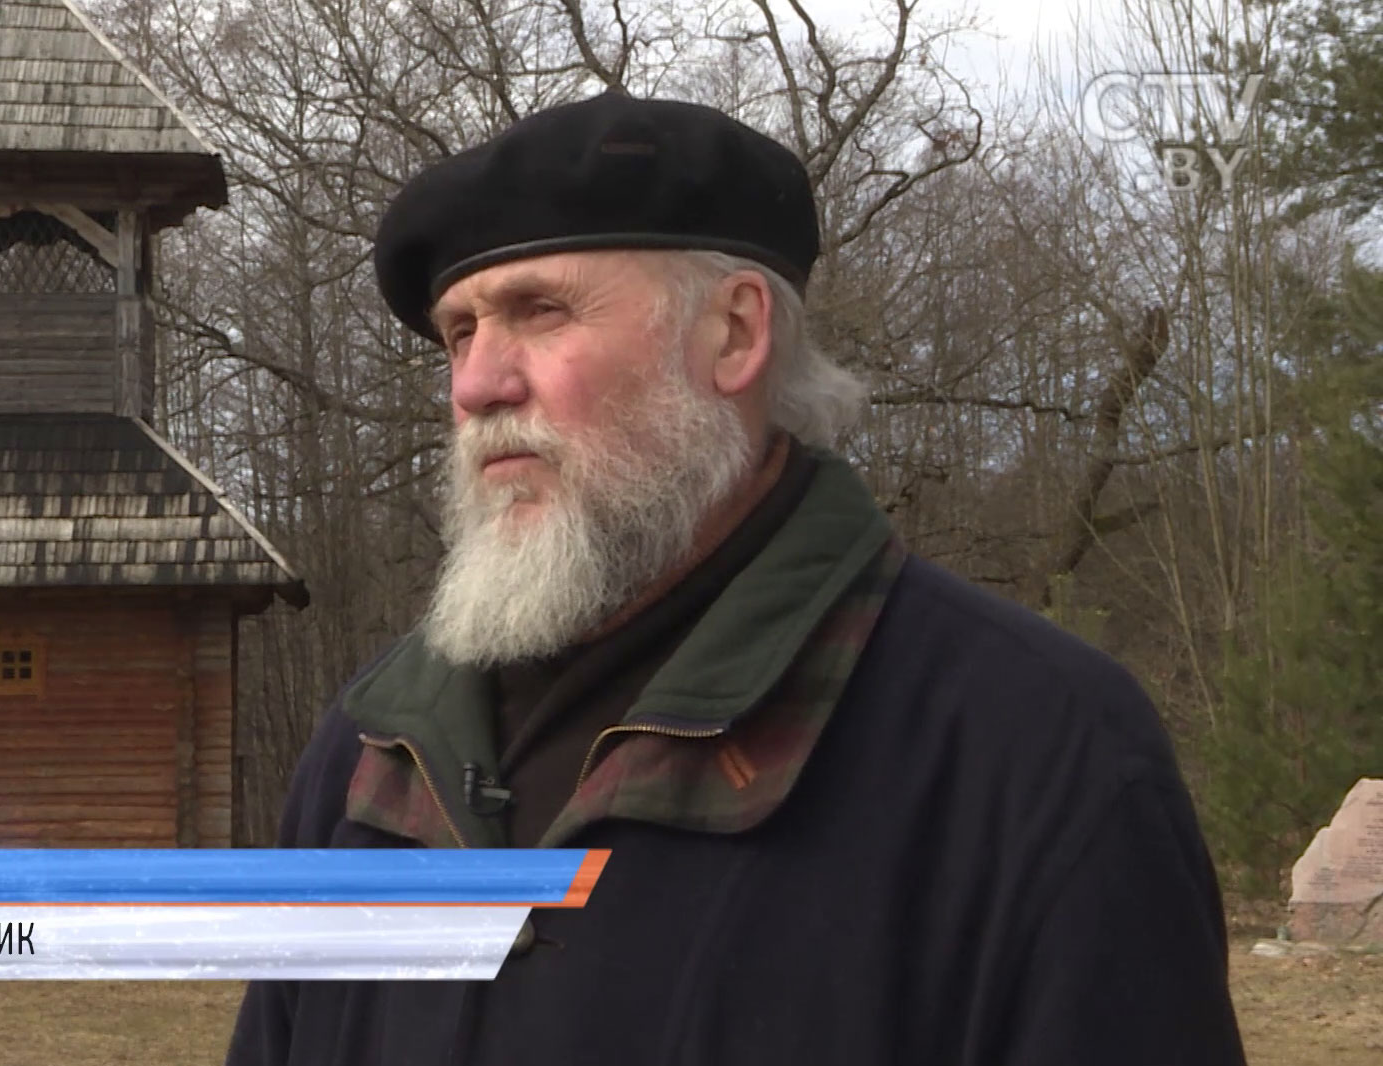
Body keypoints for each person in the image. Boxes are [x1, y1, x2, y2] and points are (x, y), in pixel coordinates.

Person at [223, 91, 1247, 1066]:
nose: (477, 384)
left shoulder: (1031, 755)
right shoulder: (370, 763)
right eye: (460, 332)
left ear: (735, 333)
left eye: (537, 311)